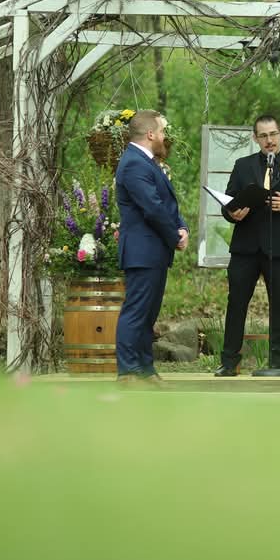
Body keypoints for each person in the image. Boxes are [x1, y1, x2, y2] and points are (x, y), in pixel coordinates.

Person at [215, 115, 280, 377]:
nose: (269, 140)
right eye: (263, 136)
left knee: (279, 305)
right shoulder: (242, 166)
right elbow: (228, 203)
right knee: (236, 302)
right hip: (245, 248)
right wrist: (232, 213)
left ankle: (279, 363)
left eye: (273, 134)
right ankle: (229, 362)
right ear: (255, 138)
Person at [114, 110, 189, 384]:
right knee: (135, 311)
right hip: (142, 251)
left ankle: (146, 370)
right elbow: (152, 208)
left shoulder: (148, 162)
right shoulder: (134, 163)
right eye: (162, 132)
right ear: (150, 134)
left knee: (147, 314)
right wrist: (175, 236)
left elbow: (166, 202)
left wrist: (182, 228)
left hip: (154, 251)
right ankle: (127, 371)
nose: (164, 137)